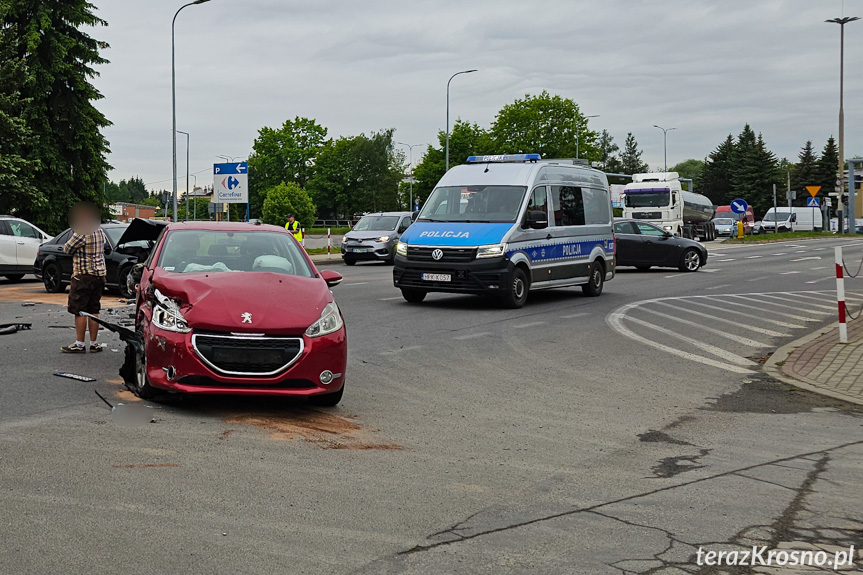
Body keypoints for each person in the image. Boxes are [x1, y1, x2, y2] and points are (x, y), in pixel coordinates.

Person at [61, 202, 107, 354]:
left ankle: (79, 344)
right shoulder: (100, 231)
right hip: (99, 275)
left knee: (79, 310)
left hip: (83, 275)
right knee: (94, 309)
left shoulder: (81, 232)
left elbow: (67, 248)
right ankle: (94, 343)